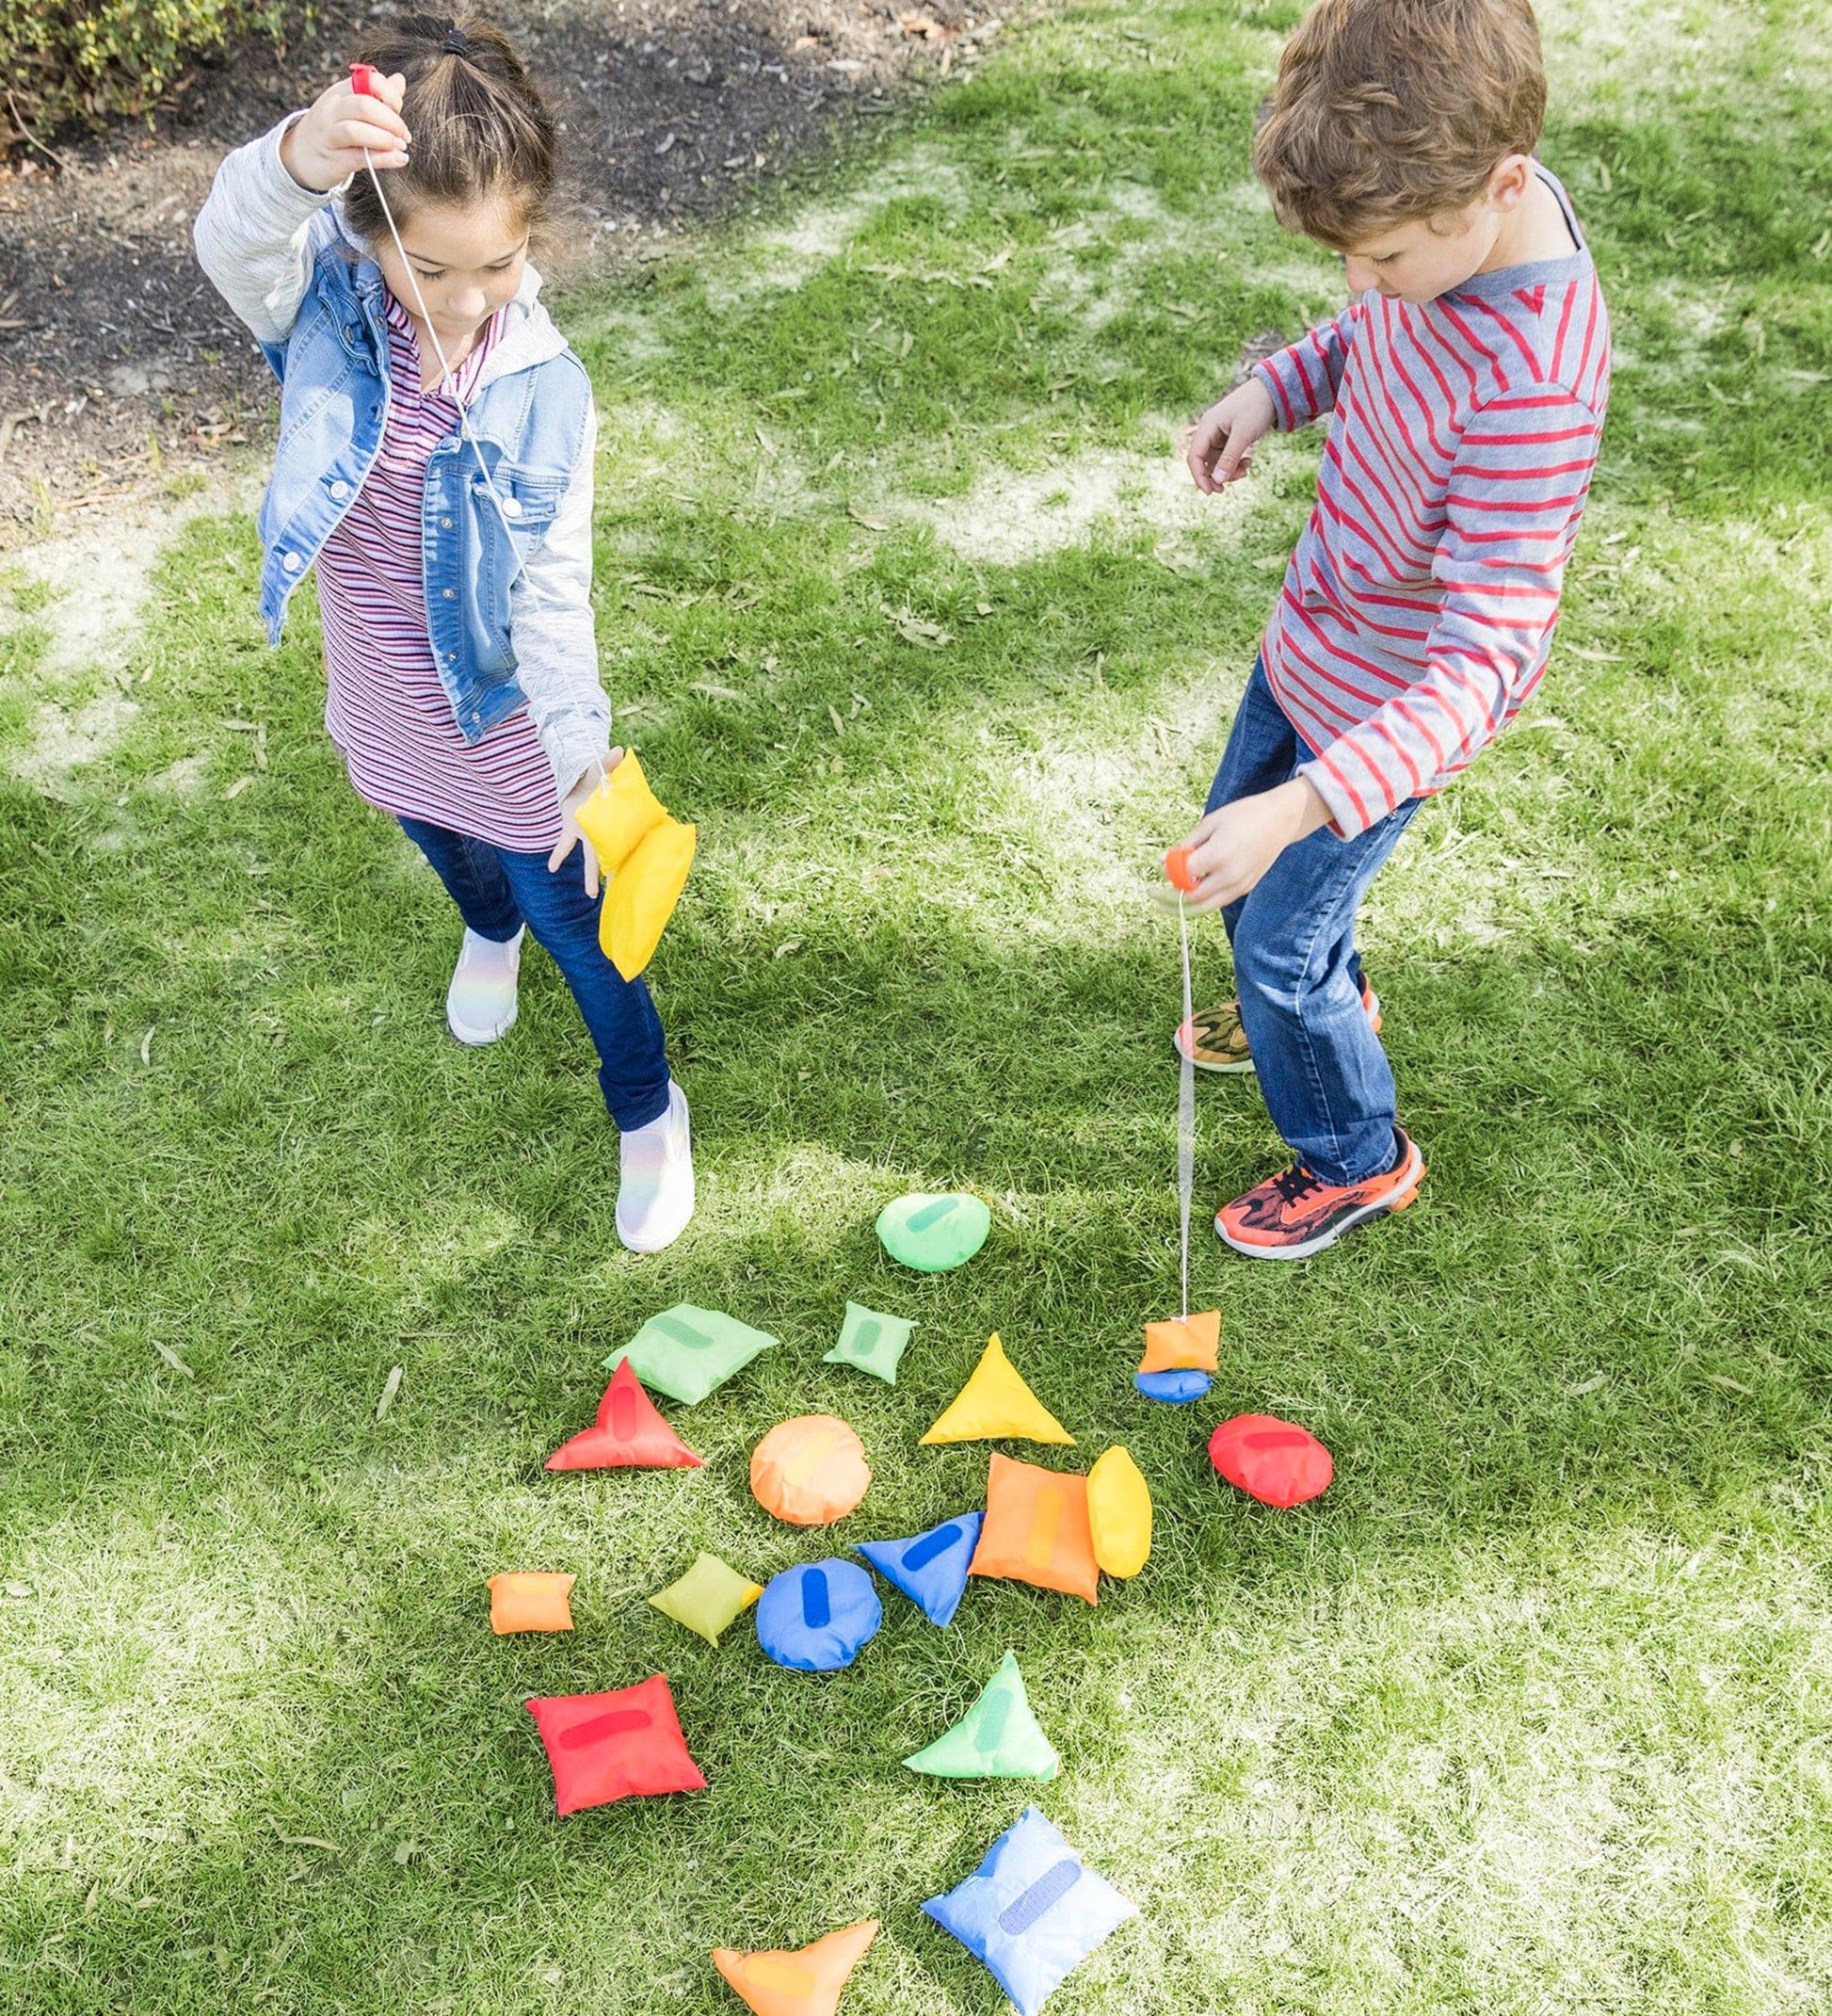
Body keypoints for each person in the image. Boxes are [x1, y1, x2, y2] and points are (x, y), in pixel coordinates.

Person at [194, 14, 694, 1252]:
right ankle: (485, 927)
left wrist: (579, 757)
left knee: (585, 937)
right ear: (368, 238)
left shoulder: (542, 388)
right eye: (434, 265)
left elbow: (550, 593)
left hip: (509, 723)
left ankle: (647, 1107)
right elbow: (229, 236)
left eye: (503, 261)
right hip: (380, 699)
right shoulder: (320, 306)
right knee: (430, 830)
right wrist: (304, 151)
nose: (470, 299)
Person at [1171, 0, 1608, 1259]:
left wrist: (1305, 804)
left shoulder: (1527, 384)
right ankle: (1309, 1000)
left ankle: (1354, 1154)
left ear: (1503, 186)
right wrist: (1271, 389)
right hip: (1312, 639)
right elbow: (1369, 339)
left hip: (1383, 719)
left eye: (1382, 261)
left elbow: (1481, 663)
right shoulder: (1450, 212)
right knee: (1239, 882)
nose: (1359, 289)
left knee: (1276, 942)